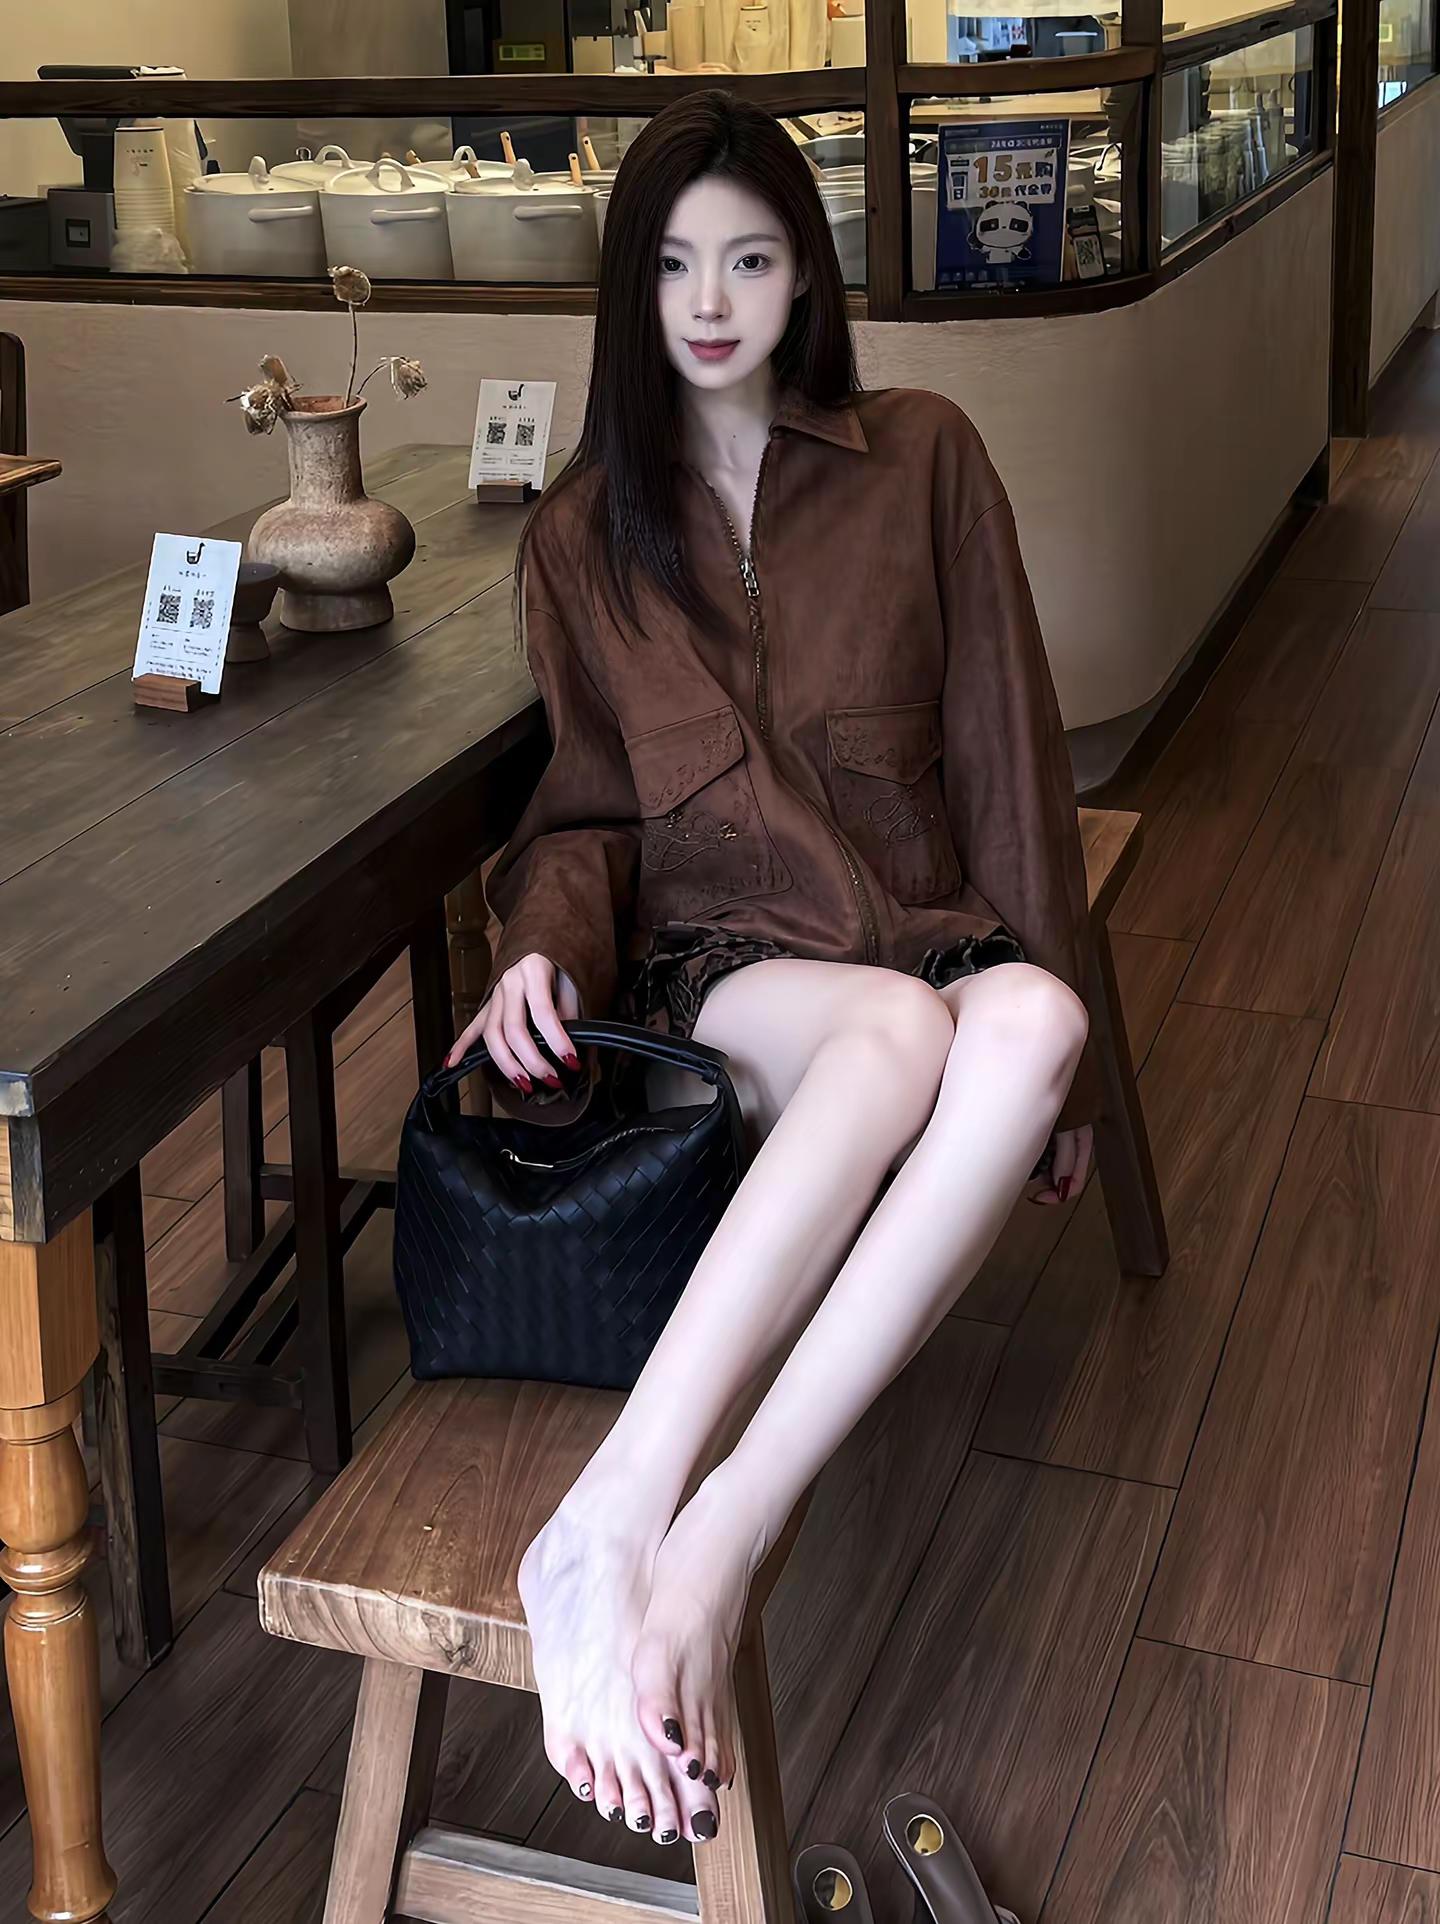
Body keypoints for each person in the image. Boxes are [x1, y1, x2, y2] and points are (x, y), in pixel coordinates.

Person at [444, 88, 1098, 1853]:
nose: (712, 301)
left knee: (1031, 1021)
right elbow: (587, 808)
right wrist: (538, 950)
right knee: (891, 1035)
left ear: (805, 274)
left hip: (915, 931)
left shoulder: (924, 456)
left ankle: (710, 1538)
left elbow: (1013, 758)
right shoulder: (585, 535)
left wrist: (1082, 1086)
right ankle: (626, 1521)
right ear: (632, 290)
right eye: (674, 265)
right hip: (718, 972)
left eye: (748, 259)